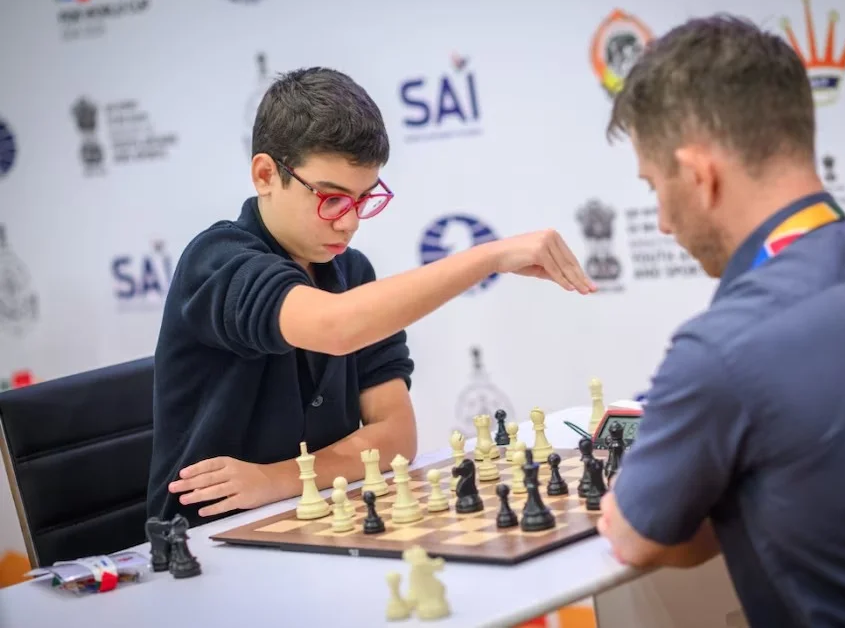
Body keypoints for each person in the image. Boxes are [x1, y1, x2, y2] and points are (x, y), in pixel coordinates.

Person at [595, 14, 845, 627]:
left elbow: (633, 535)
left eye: (654, 187)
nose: (665, 224)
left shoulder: (722, 349)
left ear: (700, 176)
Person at [147, 67, 595, 526]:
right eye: (331, 199)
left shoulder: (353, 272)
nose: (349, 222)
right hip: (208, 535)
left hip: (315, 517)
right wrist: (486, 257)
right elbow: (334, 327)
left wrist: (277, 480)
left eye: (364, 200)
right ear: (265, 174)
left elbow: (396, 437)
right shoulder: (217, 260)